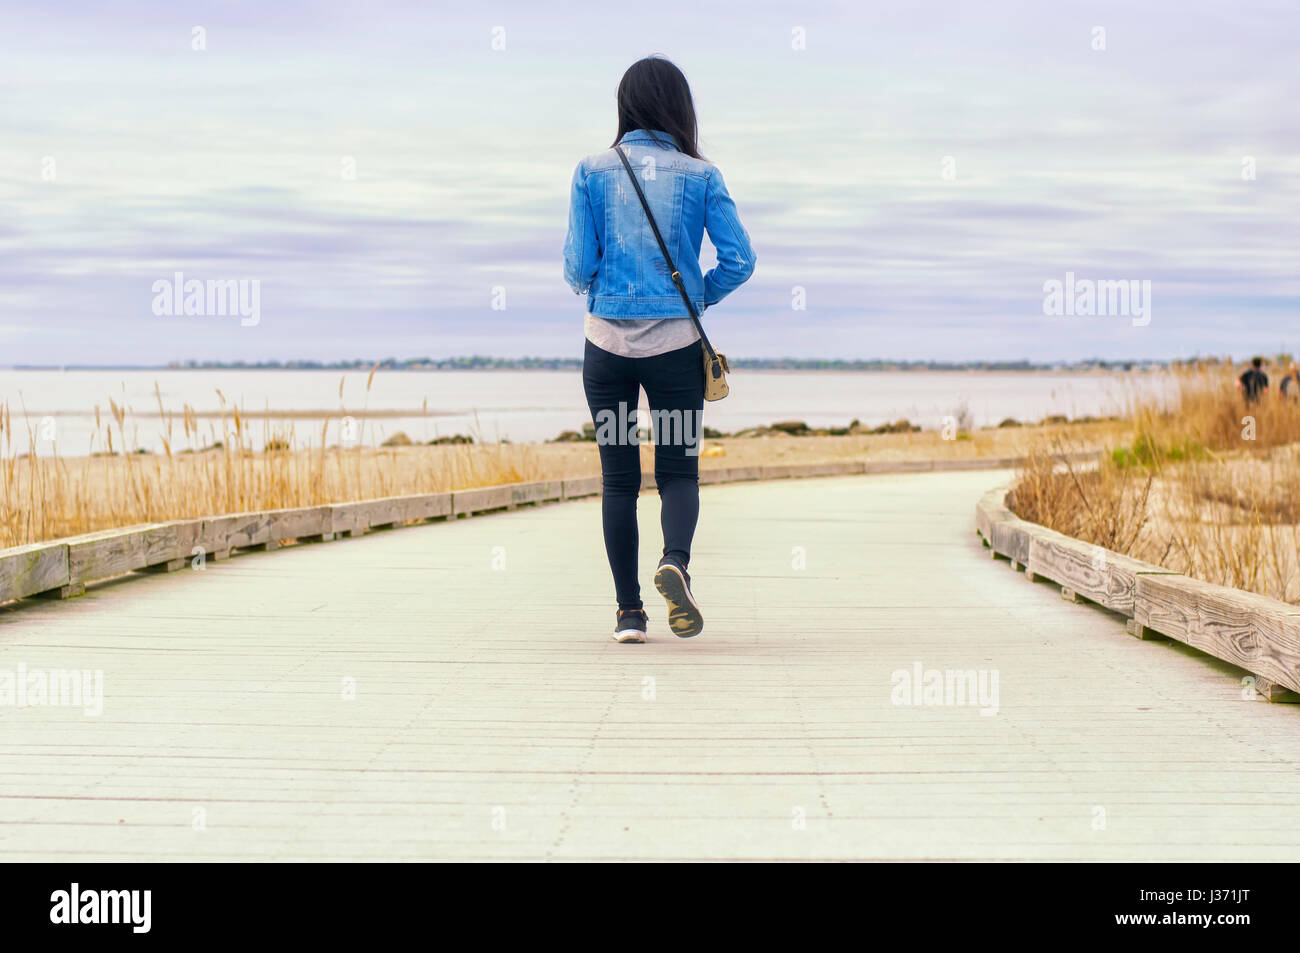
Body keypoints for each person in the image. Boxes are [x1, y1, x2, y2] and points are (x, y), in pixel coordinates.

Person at [563, 56, 756, 643]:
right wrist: (696, 299)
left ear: (625, 104)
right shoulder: (701, 175)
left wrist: (602, 289)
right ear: (680, 106)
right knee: (677, 472)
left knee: (618, 480)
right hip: (675, 347)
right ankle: (675, 561)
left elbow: (576, 267)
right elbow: (739, 261)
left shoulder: (592, 171)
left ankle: (629, 614)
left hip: (607, 349)